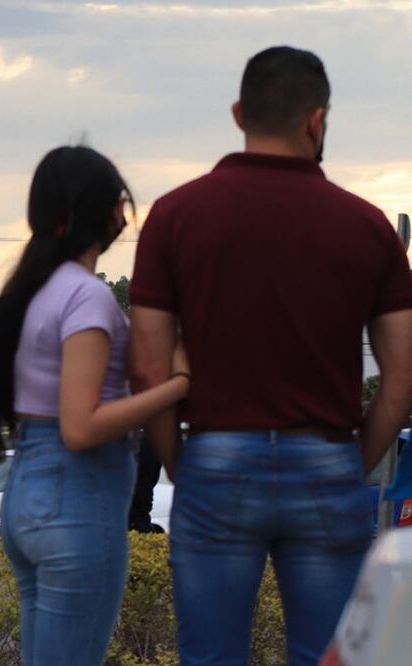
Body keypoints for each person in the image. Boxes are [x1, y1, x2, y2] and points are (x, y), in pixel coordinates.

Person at [130, 46, 412, 666]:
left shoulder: (175, 216)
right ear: (318, 121)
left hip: (215, 455)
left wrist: (183, 461)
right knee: (328, 656)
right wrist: (351, 458)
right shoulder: (367, 229)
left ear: (238, 113)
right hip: (328, 457)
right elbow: (401, 379)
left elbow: (148, 366)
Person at [0, 145, 191, 666]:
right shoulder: (86, 297)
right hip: (77, 502)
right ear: (102, 213)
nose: (124, 217)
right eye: (121, 204)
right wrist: (178, 385)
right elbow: (82, 426)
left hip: (28, 497)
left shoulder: (34, 292)